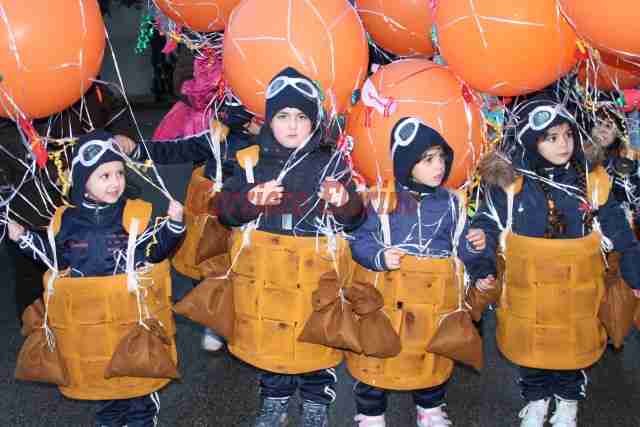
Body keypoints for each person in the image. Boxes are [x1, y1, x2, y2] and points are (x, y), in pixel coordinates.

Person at [469, 95, 640, 427]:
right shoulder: (509, 186)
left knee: (571, 351)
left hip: (575, 290)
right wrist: (482, 256)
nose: (563, 144)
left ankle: (568, 401)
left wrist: (635, 277)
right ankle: (535, 399)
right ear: (531, 142)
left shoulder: (592, 181)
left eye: (568, 135)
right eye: (551, 137)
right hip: (527, 291)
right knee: (530, 352)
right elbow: (486, 225)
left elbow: (621, 234)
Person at [213, 66, 365, 427]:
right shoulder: (251, 161)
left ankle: (316, 403)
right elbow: (225, 212)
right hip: (267, 273)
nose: (292, 125)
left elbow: (356, 217)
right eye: (282, 116)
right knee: (271, 339)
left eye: (301, 117)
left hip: (315, 274)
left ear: (313, 121)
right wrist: (251, 198)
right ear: (269, 119)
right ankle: (274, 400)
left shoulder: (331, 161)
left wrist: (344, 200)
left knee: (316, 338)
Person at [7, 129, 185, 427]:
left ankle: (142, 420)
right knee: (102, 386)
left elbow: (151, 253)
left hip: (130, 323)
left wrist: (173, 226)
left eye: (119, 173)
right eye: (104, 176)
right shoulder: (66, 221)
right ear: (82, 182)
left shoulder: (135, 215)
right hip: (90, 325)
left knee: (137, 387)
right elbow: (56, 259)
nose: (115, 182)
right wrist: (24, 237)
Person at [346, 117, 487, 427]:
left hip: (434, 299)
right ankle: (370, 412)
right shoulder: (382, 199)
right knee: (376, 353)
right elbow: (360, 240)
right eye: (428, 159)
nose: (439, 166)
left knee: (431, 352)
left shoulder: (453, 202)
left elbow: (459, 247)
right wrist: (380, 256)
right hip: (388, 294)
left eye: (441, 158)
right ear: (407, 163)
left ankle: (430, 408)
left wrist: (475, 248)